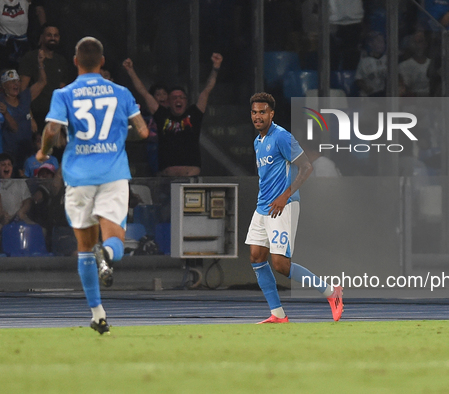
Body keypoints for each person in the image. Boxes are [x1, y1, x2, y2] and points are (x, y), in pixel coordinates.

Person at [36, 37, 149, 335]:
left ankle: (98, 315)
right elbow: (142, 131)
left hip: (79, 177)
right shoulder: (121, 93)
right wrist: (114, 136)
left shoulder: (64, 94)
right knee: (115, 241)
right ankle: (108, 256)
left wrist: (44, 152)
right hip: (113, 175)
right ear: (102, 62)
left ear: (75, 61)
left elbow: (52, 129)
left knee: (84, 248)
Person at [246, 92, 343, 323]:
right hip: (263, 207)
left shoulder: (281, 136)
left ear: (272, 114)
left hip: (284, 205)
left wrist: (285, 195)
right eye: (254, 112)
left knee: (281, 264)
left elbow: (306, 167)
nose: (257, 116)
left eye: (262, 112)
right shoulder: (257, 141)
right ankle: (278, 314)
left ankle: (331, 292)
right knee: (256, 257)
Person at [122, 53, 222, 176]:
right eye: (174, 98)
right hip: (167, 179)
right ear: (169, 101)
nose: (178, 100)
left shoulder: (194, 114)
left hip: (191, 177)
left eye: (181, 97)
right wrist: (131, 71)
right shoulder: (162, 115)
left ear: (186, 101)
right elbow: (143, 92)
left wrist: (215, 68)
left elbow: (207, 90)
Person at [19, 23, 70, 130]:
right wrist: (29, 117)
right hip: (35, 114)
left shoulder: (61, 61)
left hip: (54, 116)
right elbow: (22, 91)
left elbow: (62, 92)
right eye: (49, 35)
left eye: (55, 35)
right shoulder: (30, 57)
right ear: (41, 37)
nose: (53, 38)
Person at [0, 62, 46, 171]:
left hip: (27, 153)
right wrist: (6, 113)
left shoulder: (24, 97)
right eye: (11, 82)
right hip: (8, 157)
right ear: (3, 85)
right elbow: (14, 128)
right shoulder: (1, 102)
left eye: (17, 81)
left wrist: (40, 63)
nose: (16, 84)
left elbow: (42, 82)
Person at [0, 152, 32, 228]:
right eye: (3, 165)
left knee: (41, 230)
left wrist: (21, 212)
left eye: (9, 164)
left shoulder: (20, 183)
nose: (6, 167)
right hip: (2, 223)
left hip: (19, 221)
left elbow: (28, 201)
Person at [355, 31, 387, 97]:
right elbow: (358, 79)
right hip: (370, 97)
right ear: (370, 43)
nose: (381, 44)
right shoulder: (364, 61)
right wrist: (366, 88)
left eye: (382, 41)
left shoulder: (388, 59)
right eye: (378, 41)